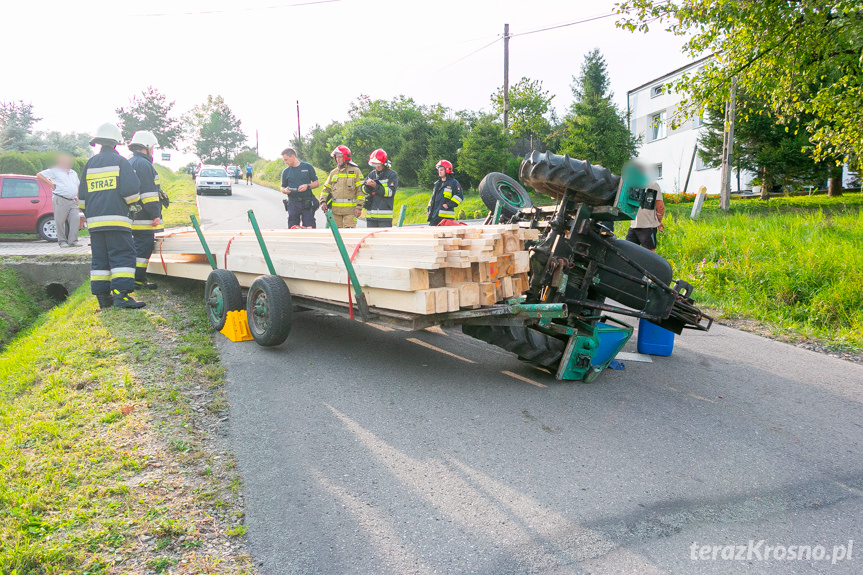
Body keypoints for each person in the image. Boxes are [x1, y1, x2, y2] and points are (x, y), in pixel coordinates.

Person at [78, 123, 145, 310]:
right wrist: (132, 205)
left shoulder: (90, 164)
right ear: (116, 142)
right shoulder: (121, 162)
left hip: (95, 224)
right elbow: (131, 192)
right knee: (122, 256)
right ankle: (121, 297)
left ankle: (103, 299)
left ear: (98, 142)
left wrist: (92, 215)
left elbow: (82, 198)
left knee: (100, 260)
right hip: (117, 221)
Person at [127, 130, 163, 290]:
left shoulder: (129, 163)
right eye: (153, 148)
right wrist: (155, 214)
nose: (153, 151)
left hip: (131, 215)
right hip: (143, 216)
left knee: (134, 247)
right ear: (146, 147)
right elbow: (149, 194)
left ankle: (133, 277)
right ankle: (138, 279)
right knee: (144, 246)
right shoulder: (144, 164)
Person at [36, 153, 81, 247]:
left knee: (75, 219)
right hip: (60, 198)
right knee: (60, 221)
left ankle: (73, 241)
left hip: (73, 200)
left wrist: (77, 197)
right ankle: (62, 241)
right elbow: (39, 175)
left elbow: (77, 186)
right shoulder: (55, 171)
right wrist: (50, 184)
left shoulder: (73, 173)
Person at [319, 145, 364, 228]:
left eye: (340, 157)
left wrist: (359, 207)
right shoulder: (333, 172)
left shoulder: (356, 171)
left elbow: (360, 191)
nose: (337, 159)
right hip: (335, 212)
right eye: (336, 157)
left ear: (346, 157)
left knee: (349, 235)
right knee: (337, 235)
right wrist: (323, 201)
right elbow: (326, 189)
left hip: (351, 212)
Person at [280, 148, 320, 228]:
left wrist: (307, 186)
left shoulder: (307, 167)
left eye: (286, 160)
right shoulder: (286, 171)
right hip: (293, 203)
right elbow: (282, 187)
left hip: (307, 202)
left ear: (293, 156)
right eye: (284, 160)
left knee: (309, 227)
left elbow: (316, 183)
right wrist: (284, 190)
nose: (285, 162)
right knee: (293, 228)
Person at [362, 148, 398, 228]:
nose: (376, 167)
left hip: (385, 217)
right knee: (371, 239)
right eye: (374, 165)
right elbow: (363, 190)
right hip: (371, 216)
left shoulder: (391, 175)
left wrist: (376, 186)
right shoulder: (371, 174)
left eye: (378, 164)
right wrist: (368, 186)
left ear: (384, 163)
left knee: (384, 239)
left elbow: (390, 192)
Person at [625, 182, 665, 252]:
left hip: (641, 225)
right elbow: (660, 207)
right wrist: (659, 221)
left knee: (628, 252)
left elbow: (660, 206)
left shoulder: (632, 183)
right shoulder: (653, 184)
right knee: (649, 254)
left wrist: (658, 221)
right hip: (643, 226)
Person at [427, 159, 463, 225]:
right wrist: (428, 209)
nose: (439, 172)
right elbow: (432, 199)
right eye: (438, 170)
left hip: (446, 219)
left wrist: (449, 204)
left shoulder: (453, 183)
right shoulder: (437, 184)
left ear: (447, 170)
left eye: (441, 170)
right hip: (435, 217)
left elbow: (459, 196)